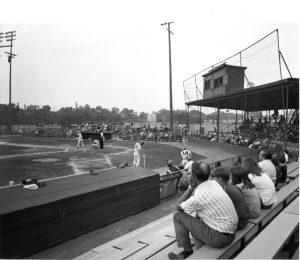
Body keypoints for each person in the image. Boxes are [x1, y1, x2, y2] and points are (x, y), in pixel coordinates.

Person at [168, 162, 238, 259]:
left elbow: (178, 207)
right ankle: (200, 253)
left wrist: (190, 187)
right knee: (197, 220)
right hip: (231, 232)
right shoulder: (214, 183)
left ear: (193, 176)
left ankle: (187, 252)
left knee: (177, 216)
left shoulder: (199, 197)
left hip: (220, 238)